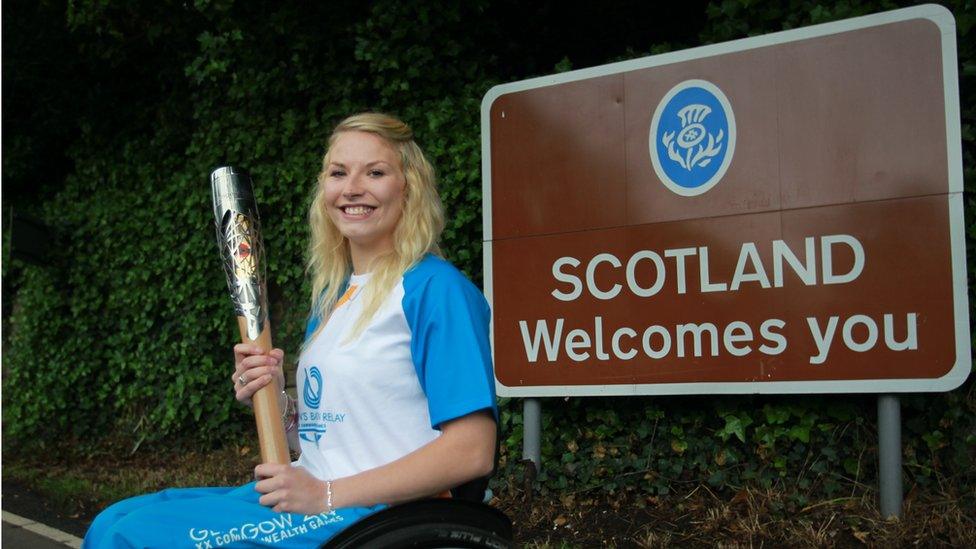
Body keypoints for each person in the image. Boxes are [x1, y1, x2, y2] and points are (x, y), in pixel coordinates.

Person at [83, 113, 498, 548]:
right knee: (115, 519)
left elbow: (471, 450)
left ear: (408, 187)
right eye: (338, 173)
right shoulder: (335, 297)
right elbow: (337, 430)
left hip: (377, 515)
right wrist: (276, 401)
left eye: (375, 172)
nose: (352, 187)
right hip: (312, 495)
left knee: (130, 538)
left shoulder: (436, 289)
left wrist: (326, 494)